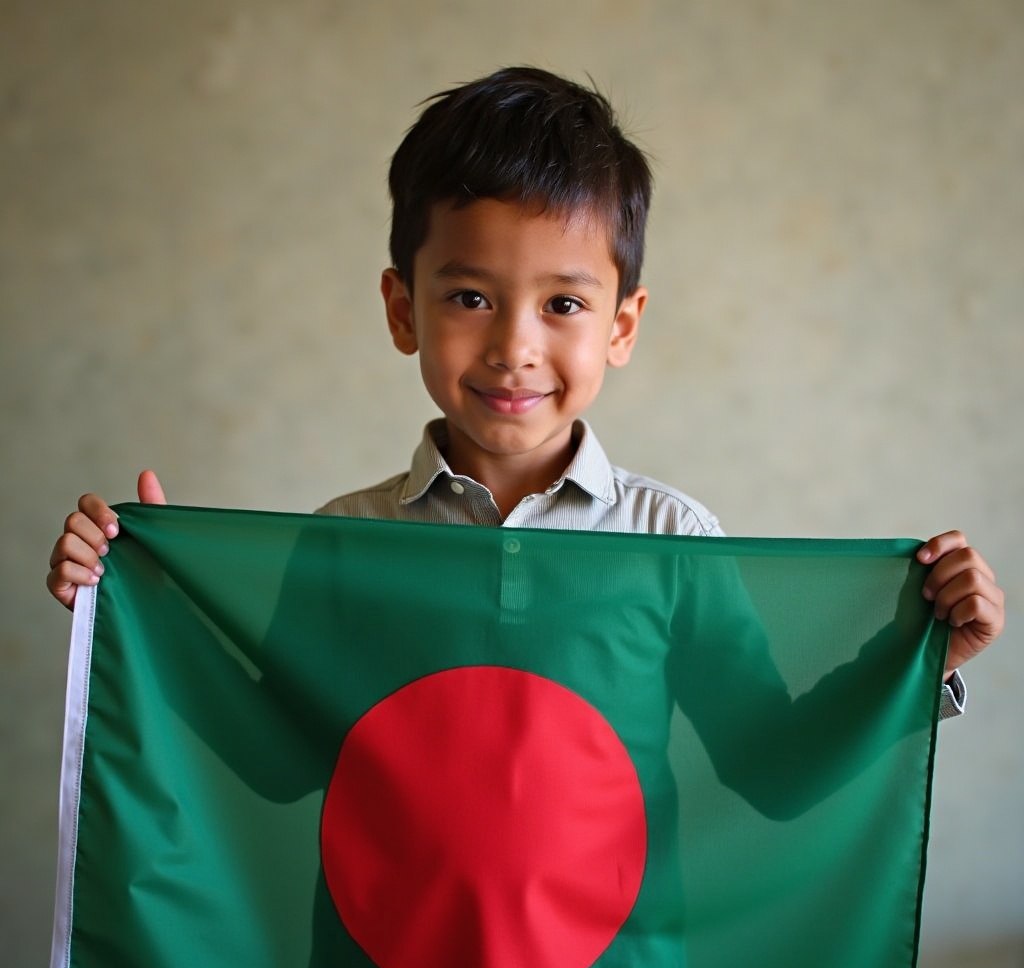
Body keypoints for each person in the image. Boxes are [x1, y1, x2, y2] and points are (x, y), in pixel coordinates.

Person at [46, 66, 1003, 709]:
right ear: (401, 308)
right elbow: (269, 763)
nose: (514, 346)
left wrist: (929, 666)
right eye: (470, 295)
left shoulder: (674, 546)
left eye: (563, 304)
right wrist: (145, 608)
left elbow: (766, 767)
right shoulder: (348, 539)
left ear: (621, 325)